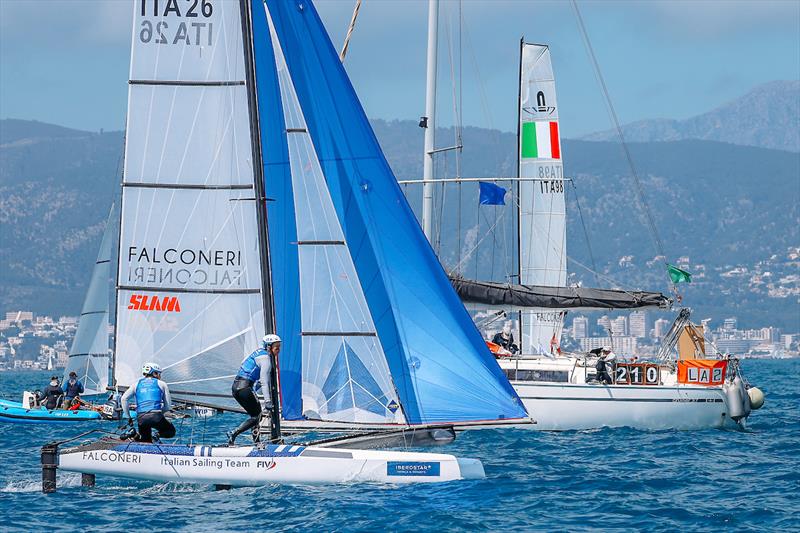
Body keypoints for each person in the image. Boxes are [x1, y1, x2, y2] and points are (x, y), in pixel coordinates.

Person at [228, 334, 280, 446]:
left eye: (279, 347)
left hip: (236, 388)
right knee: (257, 416)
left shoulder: (257, 353)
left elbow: (245, 366)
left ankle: (257, 443)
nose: (278, 350)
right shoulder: (266, 359)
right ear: (268, 347)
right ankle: (234, 433)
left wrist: (254, 388)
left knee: (255, 415)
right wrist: (267, 401)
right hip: (245, 388)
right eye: (276, 347)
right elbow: (264, 382)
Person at [121, 362, 175, 443]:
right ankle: (156, 435)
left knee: (145, 441)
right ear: (154, 373)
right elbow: (167, 407)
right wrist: (160, 413)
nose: (160, 376)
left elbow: (124, 399)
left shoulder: (135, 385)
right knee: (170, 432)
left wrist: (129, 417)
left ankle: (134, 434)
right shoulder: (162, 384)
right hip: (156, 415)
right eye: (159, 373)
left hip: (141, 417)